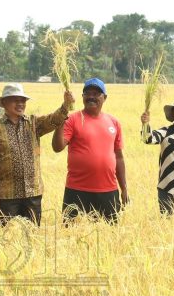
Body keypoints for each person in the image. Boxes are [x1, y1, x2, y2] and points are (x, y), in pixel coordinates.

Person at [0, 83, 73, 226]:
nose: (20, 104)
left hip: (33, 194)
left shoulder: (34, 124)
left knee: (33, 237)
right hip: (7, 197)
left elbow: (54, 120)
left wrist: (66, 104)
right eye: (15, 100)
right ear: (4, 102)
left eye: (23, 100)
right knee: (9, 239)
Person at [53, 78, 128, 224]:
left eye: (96, 93)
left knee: (110, 238)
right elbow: (57, 147)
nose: (91, 97)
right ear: (82, 97)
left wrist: (124, 188)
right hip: (77, 190)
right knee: (71, 237)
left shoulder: (113, 122)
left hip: (108, 190)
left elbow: (119, 157)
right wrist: (60, 121)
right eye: (87, 93)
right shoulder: (72, 119)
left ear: (104, 98)